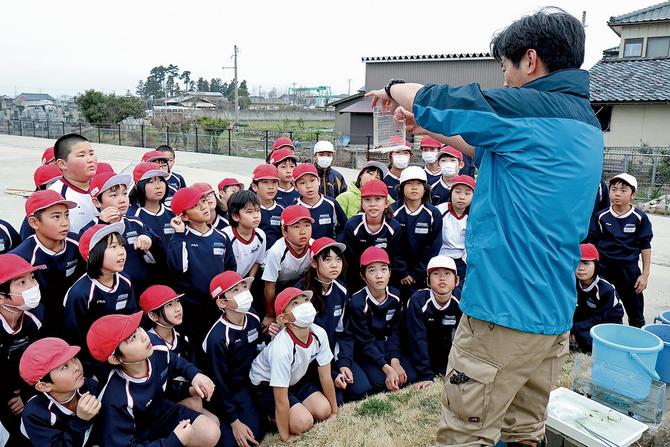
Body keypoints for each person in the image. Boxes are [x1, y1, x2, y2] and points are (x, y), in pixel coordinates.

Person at [367, 7, 602, 446]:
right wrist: (434, 133)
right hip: (549, 317)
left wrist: (391, 87)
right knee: (523, 430)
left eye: (506, 67)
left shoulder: (529, 108)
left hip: (501, 312)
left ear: (530, 60)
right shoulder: (581, 122)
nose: (505, 78)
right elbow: (487, 148)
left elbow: (444, 101)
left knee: (465, 433)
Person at [87, 312, 220, 447]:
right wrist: (174, 441)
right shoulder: (114, 398)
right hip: (138, 436)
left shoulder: (154, 345)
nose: (144, 337)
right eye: (133, 338)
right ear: (116, 359)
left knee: (211, 431)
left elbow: (172, 360)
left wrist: (194, 375)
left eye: (138, 328)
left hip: (162, 412)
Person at [249, 287, 337, 444]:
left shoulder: (319, 333)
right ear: (283, 318)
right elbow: (281, 399)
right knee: (304, 423)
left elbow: (325, 376)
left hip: (294, 378)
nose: (304, 304)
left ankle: (297, 407)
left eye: (305, 300)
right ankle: (270, 418)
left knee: (324, 410)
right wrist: (285, 436)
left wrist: (334, 412)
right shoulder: (281, 349)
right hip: (266, 385)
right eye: (295, 303)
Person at [297, 237, 372, 403]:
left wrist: (343, 364)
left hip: (333, 354)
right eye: (328, 259)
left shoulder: (341, 290)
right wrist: (332, 374)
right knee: (337, 400)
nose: (334, 264)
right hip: (311, 363)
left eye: (338, 259)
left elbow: (344, 333)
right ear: (314, 263)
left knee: (362, 388)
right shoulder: (301, 294)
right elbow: (302, 343)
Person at [62, 223, 137, 372]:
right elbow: (74, 338)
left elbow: (131, 318)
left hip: (122, 355)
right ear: (93, 255)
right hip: (93, 362)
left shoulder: (125, 281)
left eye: (121, 246)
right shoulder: (80, 293)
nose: (122, 252)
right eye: (113, 247)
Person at [203, 272, 267, 447]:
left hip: (253, 381)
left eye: (244, 287)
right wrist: (234, 421)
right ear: (221, 302)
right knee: (246, 436)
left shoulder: (253, 316)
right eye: (235, 290)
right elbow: (219, 382)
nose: (243, 292)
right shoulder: (218, 338)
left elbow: (260, 348)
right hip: (230, 390)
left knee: (265, 425)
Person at [167, 186, 237, 344]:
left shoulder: (221, 236)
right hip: (193, 308)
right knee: (197, 345)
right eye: (195, 206)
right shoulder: (180, 239)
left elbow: (230, 268)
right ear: (184, 216)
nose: (204, 207)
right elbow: (178, 268)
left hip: (218, 304)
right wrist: (178, 234)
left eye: (204, 201)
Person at [11, 191, 84, 337]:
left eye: (66, 215)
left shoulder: (77, 243)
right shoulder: (21, 257)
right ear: (34, 222)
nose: (64, 222)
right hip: (42, 324)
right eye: (56, 216)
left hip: (74, 316)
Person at [588, 173, 653, 327]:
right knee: (600, 304)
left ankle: (637, 337)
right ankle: (597, 335)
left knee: (635, 308)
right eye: (614, 189)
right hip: (604, 267)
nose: (617, 193)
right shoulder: (601, 216)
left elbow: (645, 246)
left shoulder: (639, 217)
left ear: (633, 195)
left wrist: (644, 275)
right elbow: (592, 244)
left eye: (623, 190)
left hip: (628, 270)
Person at [82, 171, 162, 294]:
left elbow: (159, 247)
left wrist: (148, 238)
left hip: (140, 290)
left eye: (124, 193)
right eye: (114, 195)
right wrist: (102, 224)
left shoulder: (135, 222)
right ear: (97, 202)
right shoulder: (89, 230)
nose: (122, 200)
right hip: (108, 293)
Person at [348, 247, 413, 392]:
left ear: (390, 272)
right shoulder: (357, 302)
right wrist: (387, 369)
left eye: (384, 269)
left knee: (409, 376)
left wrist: (395, 361)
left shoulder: (395, 296)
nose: (379, 275)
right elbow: (365, 342)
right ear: (363, 275)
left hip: (387, 345)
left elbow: (395, 332)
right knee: (378, 383)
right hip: (367, 350)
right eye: (372, 270)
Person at [18, 337, 101, 446]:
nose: (76, 367)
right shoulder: (34, 414)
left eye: (74, 358)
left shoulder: (89, 386)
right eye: (65, 366)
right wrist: (81, 421)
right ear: (43, 386)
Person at [0, 254, 46, 445]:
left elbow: (42, 358)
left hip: (25, 388)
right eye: (21, 282)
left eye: (32, 278)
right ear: (1, 298)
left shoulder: (38, 314)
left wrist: (26, 395)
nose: (32, 286)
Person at [404, 256, 462, 390]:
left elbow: (465, 337)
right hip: (419, 351)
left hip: (444, 351)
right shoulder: (418, 300)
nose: (442, 278)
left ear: (457, 280)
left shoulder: (461, 301)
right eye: (436, 274)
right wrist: (426, 375)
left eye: (447, 274)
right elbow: (417, 338)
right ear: (428, 281)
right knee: (410, 377)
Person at [139, 285, 200, 409]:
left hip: (184, 391)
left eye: (177, 302)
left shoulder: (183, 336)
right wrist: (188, 390)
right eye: (169, 305)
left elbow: (193, 365)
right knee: (196, 405)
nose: (177, 309)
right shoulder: (147, 346)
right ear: (153, 315)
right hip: (160, 401)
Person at [341, 179, 404, 291]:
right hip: (357, 278)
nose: (372, 204)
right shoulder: (352, 225)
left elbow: (393, 259)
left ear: (386, 203)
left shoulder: (394, 227)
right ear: (361, 203)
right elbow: (350, 260)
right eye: (367, 199)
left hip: (383, 279)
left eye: (378, 199)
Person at [391, 166, 443, 299]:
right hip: (396, 274)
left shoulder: (433, 213)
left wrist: (417, 274)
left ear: (425, 188)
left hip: (421, 275)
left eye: (419, 184)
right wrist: (402, 272)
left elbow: (434, 246)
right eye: (409, 183)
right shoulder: (392, 211)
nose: (414, 187)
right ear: (401, 187)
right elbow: (392, 246)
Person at [260, 205, 313, 331]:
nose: (303, 231)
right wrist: (270, 315)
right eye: (296, 226)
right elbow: (269, 285)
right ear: (284, 231)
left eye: (307, 225)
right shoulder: (276, 252)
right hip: (275, 285)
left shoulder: (313, 246)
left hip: (298, 283)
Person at [571, 244, 623, 352]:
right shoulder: (573, 283)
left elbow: (601, 319)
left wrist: (575, 329)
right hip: (587, 319)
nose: (580, 268)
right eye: (577, 262)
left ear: (596, 265)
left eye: (586, 263)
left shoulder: (606, 290)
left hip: (607, 324)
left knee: (587, 340)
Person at [49, 134, 98, 234]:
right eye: (81, 155)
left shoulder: (104, 187)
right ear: (62, 164)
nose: (90, 159)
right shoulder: (55, 196)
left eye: (91, 154)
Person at [436, 175, 475, 294]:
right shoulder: (439, 211)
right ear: (451, 192)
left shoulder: (474, 216)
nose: (462, 197)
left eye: (467, 193)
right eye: (457, 192)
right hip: (440, 259)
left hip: (462, 261)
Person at [128, 162, 175, 249]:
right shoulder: (132, 217)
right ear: (137, 186)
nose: (158, 186)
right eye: (151, 182)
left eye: (161, 180)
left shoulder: (173, 214)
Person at [293, 163, 346, 240]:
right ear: (295, 187)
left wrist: (336, 244)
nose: (309, 186)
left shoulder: (331, 204)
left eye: (312, 180)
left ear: (319, 181)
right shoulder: (294, 208)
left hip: (327, 249)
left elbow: (344, 227)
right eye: (302, 183)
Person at [222, 190, 266, 278]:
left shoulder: (261, 235)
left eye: (257, 210)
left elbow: (257, 261)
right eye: (249, 212)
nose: (256, 215)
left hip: (244, 280)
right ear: (235, 216)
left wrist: (249, 282)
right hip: (226, 282)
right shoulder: (225, 236)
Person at [251, 164, 285, 250]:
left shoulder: (282, 210)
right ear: (255, 187)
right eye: (265, 182)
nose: (271, 187)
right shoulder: (248, 210)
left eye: (274, 182)